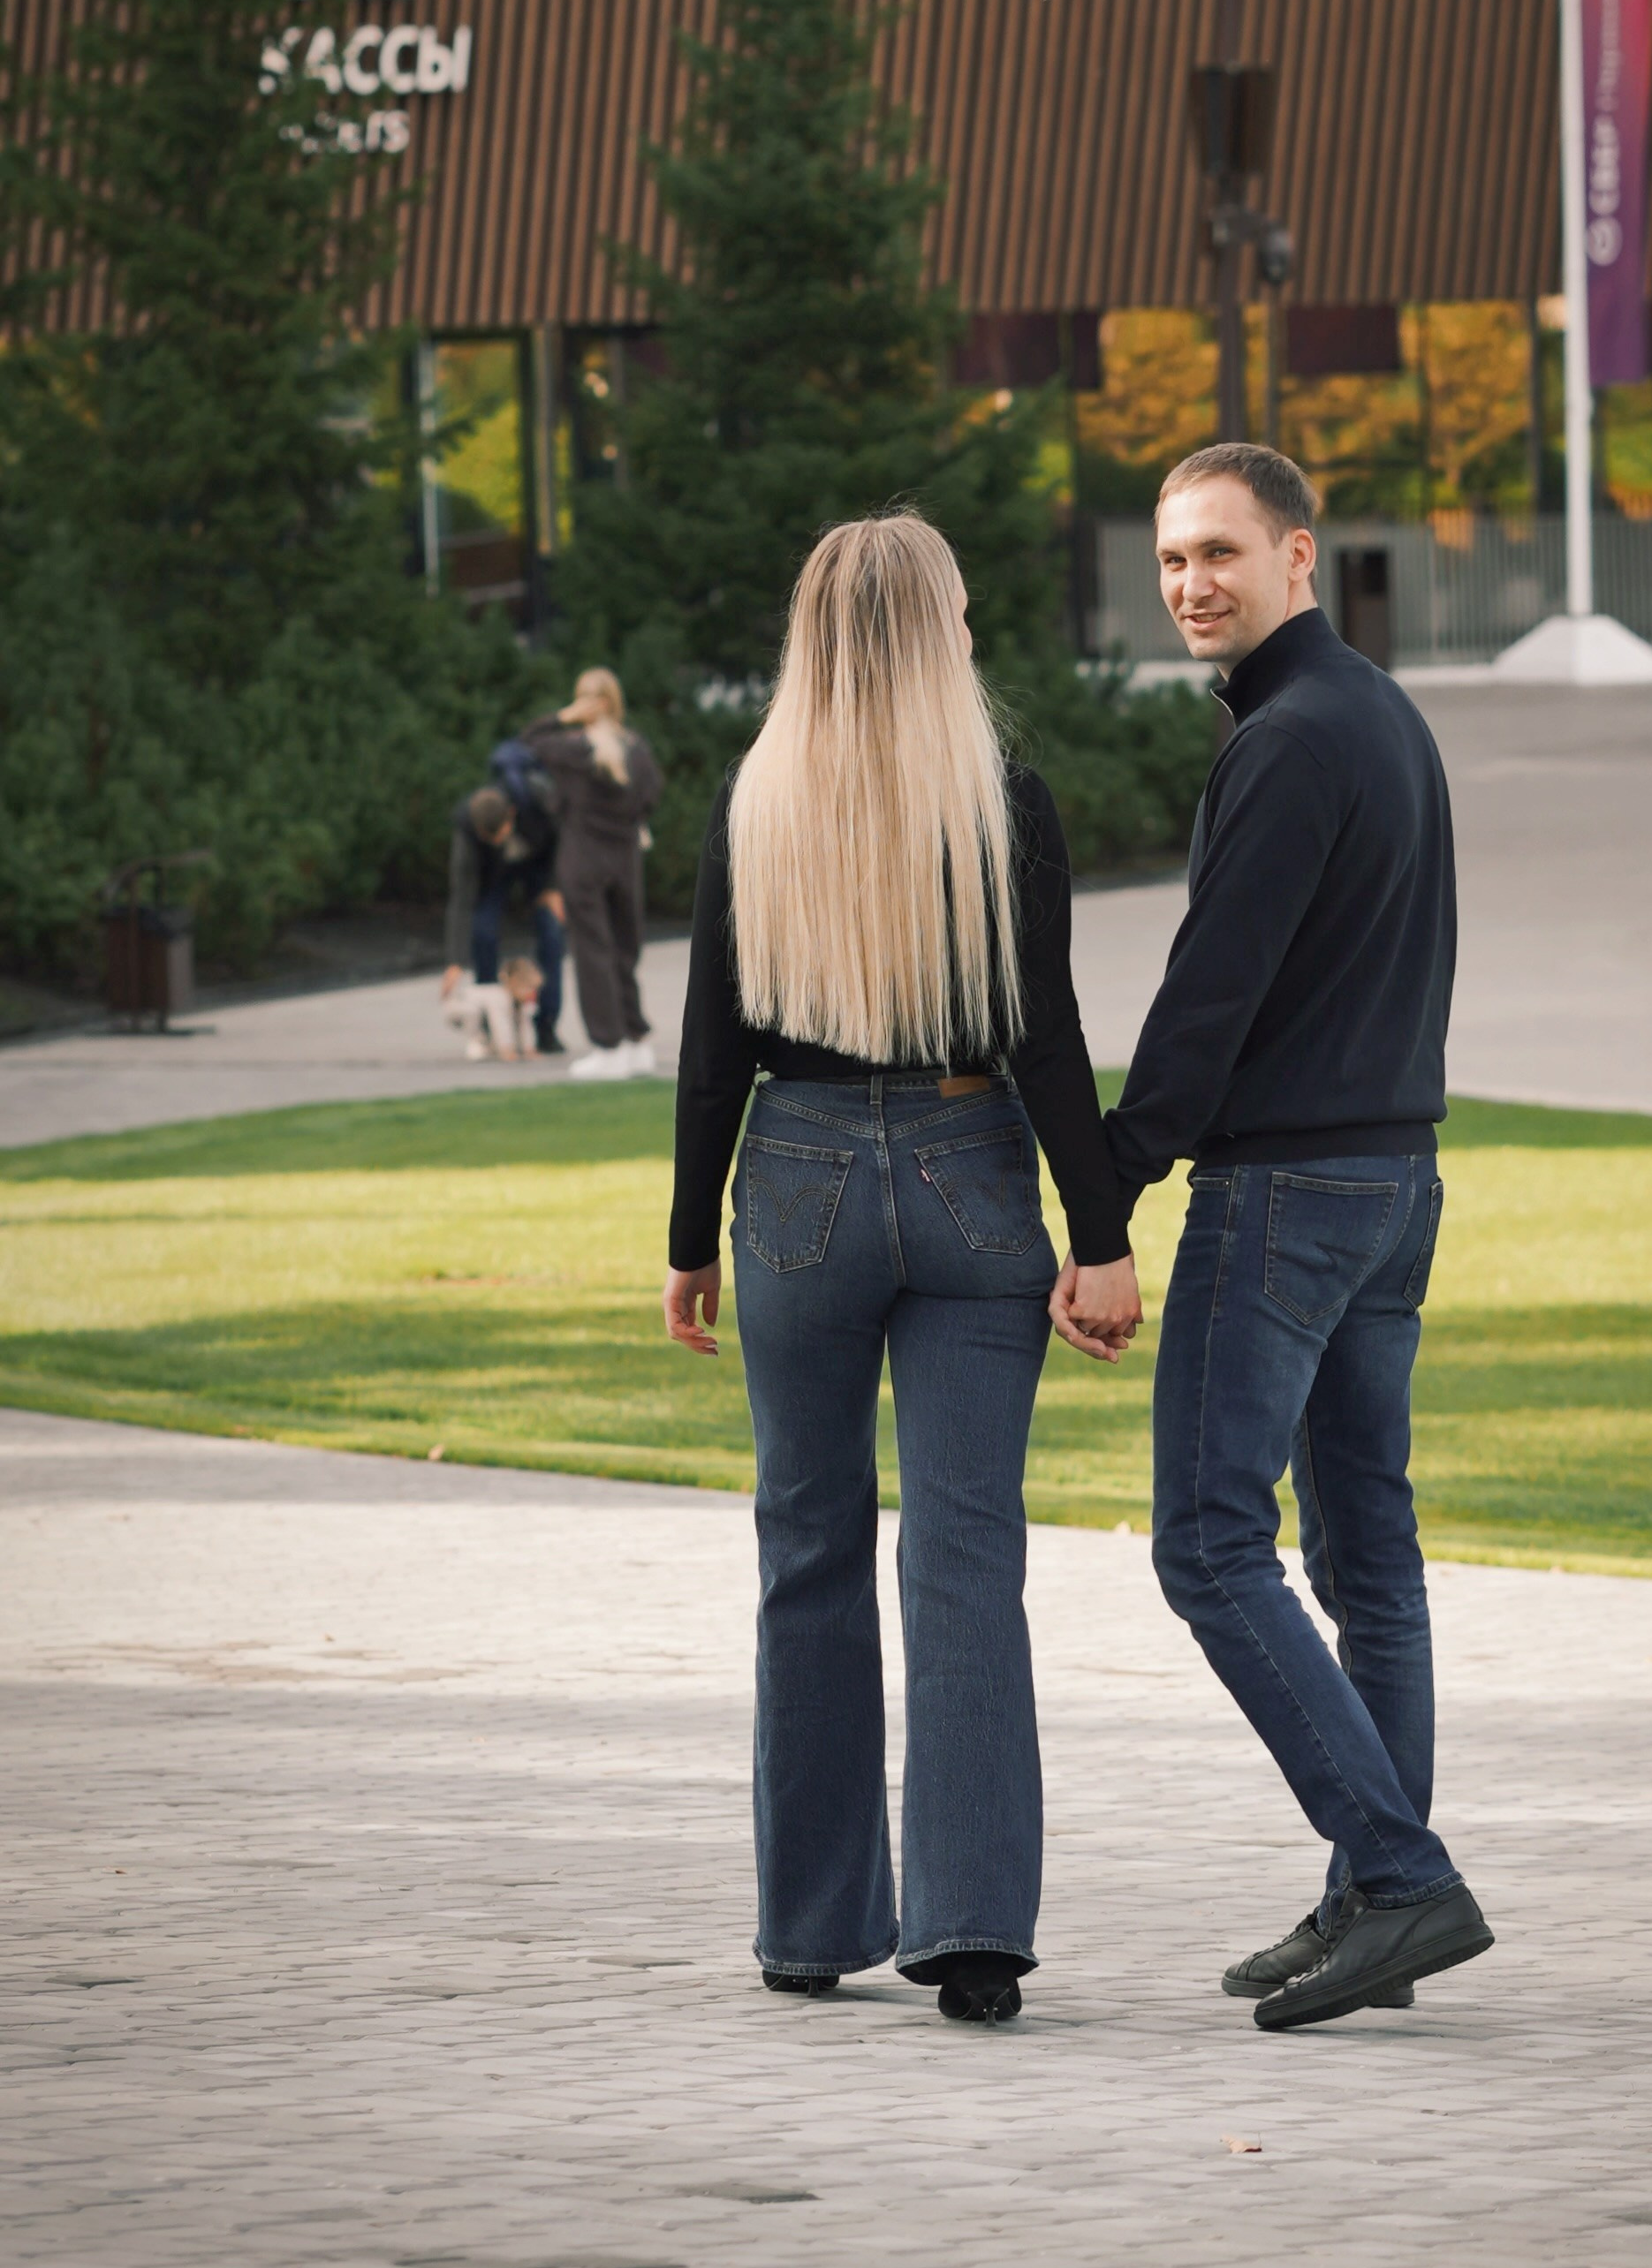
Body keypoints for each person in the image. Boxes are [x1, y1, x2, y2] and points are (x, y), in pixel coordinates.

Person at [661, 512, 1138, 2027]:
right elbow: (1047, 1030)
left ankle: (810, 1926)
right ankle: (973, 1930)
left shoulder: (761, 798)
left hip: (792, 1175)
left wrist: (688, 1239)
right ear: (939, 629)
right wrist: (1104, 1228)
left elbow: (711, 1048)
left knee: (806, 1544)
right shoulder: (1000, 796)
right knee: (963, 1556)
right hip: (968, 1166)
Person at [1055, 442, 1492, 2035]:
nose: (1191, 584)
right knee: (1365, 1554)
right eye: (1172, 559)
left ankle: (1397, 1872)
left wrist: (1104, 1188)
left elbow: (1208, 998)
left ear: (1299, 555)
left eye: (1221, 553)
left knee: (1207, 1540)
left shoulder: (1289, 738)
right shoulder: (1373, 714)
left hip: (1292, 1199)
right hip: (1392, 1185)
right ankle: (1373, 1889)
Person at [522, 670, 663, 1079]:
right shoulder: (636, 749)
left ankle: (609, 1045)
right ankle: (636, 1039)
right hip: (624, 858)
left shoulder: (571, 748)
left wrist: (564, 716)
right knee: (624, 948)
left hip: (583, 857)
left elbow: (528, 741)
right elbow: (651, 795)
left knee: (593, 952)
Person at [440, 782, 565, 1057]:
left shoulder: (535, 809)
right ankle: (492, 1028)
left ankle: (544, 1026)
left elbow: (561, 840)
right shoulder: (467, 828)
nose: (496, 841)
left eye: (500, 834)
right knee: (483, 931)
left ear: (511, 814)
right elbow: (462, 897)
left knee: (551, 932)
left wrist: (554, 887)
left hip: (537, 870)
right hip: (494, 877)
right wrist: (455, 960)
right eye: (488, 837)